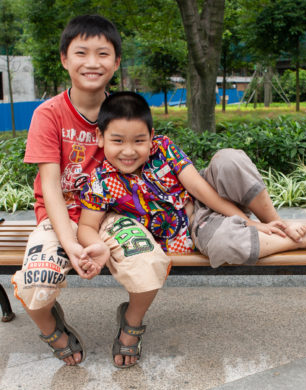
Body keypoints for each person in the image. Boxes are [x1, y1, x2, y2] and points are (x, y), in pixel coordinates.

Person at [77, 90, 306, 345]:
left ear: (151, 136)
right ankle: (298, 240)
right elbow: (88, 225)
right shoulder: (100, 181)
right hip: (196, 227)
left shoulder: (163, 148)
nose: (128, 151)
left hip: (207, 199)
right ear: (100, 138)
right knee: (225, 245)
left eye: (139, 140)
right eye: (117, 141)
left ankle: (276, 223)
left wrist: (250, 221)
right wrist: (96, 246)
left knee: (229, 159)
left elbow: (199, 189)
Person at [12, 15, 170, 369]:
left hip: (112, 215)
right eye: (81, 52)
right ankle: (54, 330)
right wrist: (72, 245)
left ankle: (131, 324)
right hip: (60, 217)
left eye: (103, 53)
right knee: (34, 288)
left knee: (149, 266)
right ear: (65, 59)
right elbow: (50, 186)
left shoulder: (124, 111)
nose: (92, 62)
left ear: (116, 63)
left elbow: (153, 165)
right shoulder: (48, 115)